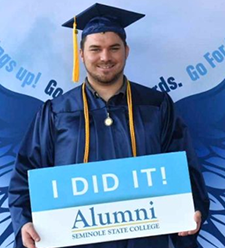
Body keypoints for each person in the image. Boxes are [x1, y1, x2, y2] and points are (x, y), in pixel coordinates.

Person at [8, 3, 209, 248]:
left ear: (126, 50)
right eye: (95, 49)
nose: (105, 57)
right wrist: (24, 222)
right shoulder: (56, 112)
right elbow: (26, 174)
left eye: (114, 48)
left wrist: (194, 209)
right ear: (81, 54)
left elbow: (185, 167)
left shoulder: (157, 106)